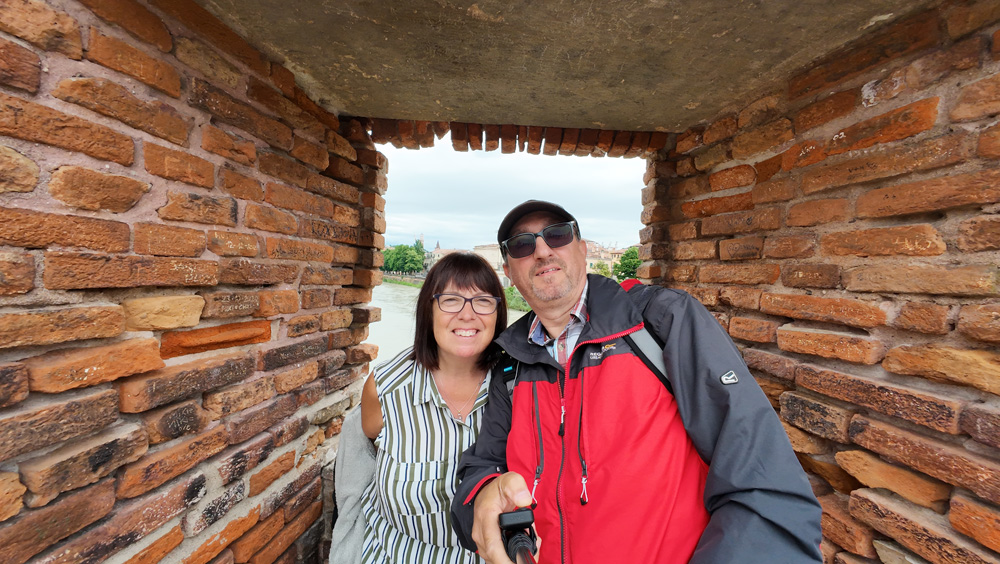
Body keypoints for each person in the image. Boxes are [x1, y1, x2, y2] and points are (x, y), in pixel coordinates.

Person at [451, 200, 823, 563]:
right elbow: (484, 465)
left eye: (558, 235)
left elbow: (759, 477)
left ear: (581, 250)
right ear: (509, 271)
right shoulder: (512, 359)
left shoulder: (662, 321)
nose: (543, 250)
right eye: (522, 245)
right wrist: (481, 498)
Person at [359, 252, 508, 563]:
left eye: (482, 301)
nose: (467, 315)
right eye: (451, 300)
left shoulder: (521, 387)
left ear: (498, 313)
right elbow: (371, 439)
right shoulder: (386, 388)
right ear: (428, 309)